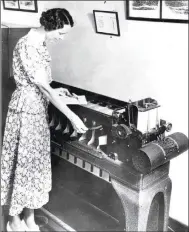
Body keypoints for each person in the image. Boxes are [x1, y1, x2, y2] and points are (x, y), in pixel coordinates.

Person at [1, 8, 88, 232]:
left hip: (38, 111)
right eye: (61, 33)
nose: (61, 38)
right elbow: (41, 87)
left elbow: (44, 85)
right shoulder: (28, 44)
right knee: (22, 166)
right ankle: (13, 220)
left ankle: (29, 218)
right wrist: (71, 115)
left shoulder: (40, 43)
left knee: (34, 166)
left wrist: (60, 91)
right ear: (50, 26)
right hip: (25, 112)